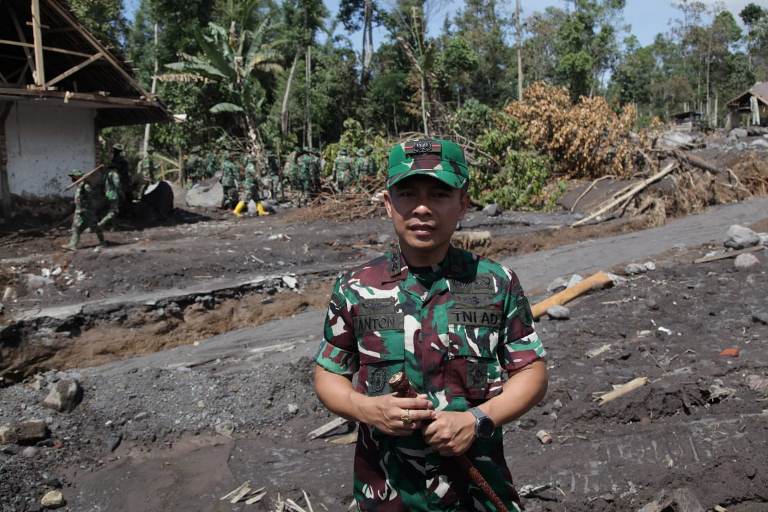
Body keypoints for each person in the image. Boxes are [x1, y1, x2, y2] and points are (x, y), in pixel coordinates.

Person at [313, 139, 548, 512]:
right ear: (389, 204)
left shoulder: (495, 282)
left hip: (477, 492)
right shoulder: (355, 288)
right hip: (388, 496)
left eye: (439, 194)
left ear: (463, 205)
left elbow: (532, 372)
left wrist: (477, 420)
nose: (422, 208)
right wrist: (367, 410)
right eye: (407, 194)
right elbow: (328, 375)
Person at [65, 169, 105, 250]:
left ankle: (103, 242)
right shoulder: (79, 185)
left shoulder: (85, 186)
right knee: (77, 227)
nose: (72, 179)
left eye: (74, 177)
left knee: (95, 226)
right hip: (80, 211)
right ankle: (72, 245)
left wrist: (87, 192)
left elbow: (92, 195)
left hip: (87, 210)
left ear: (78, 177)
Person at [97, 165, 121, 229]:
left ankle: (113, 226)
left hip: (107, 194)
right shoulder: (114, 174)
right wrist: (121, 193)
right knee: (113, 211)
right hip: (114, 195)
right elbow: (117, 184)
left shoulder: (106, 174)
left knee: (110, 210)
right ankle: (100, 224)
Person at [110, 143, 131, 209]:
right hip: (120, 181)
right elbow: (125, 172)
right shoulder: (121, 161)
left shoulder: (113, 160)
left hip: (117, 181)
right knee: (122, 195)